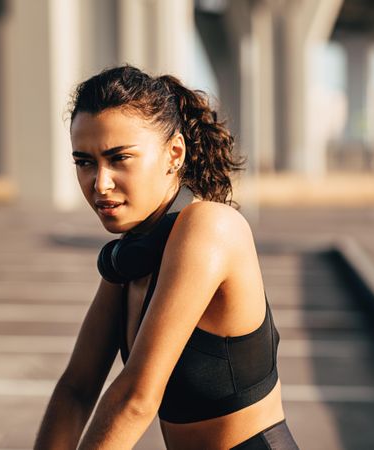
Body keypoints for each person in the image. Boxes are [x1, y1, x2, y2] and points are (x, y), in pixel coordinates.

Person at [34, 65, 299, 450]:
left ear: (174, 153)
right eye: (85, 162)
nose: (100, 183)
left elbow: (136, 398)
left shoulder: (209, 227)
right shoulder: (132, 254)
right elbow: (76, 389)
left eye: (119, 158)